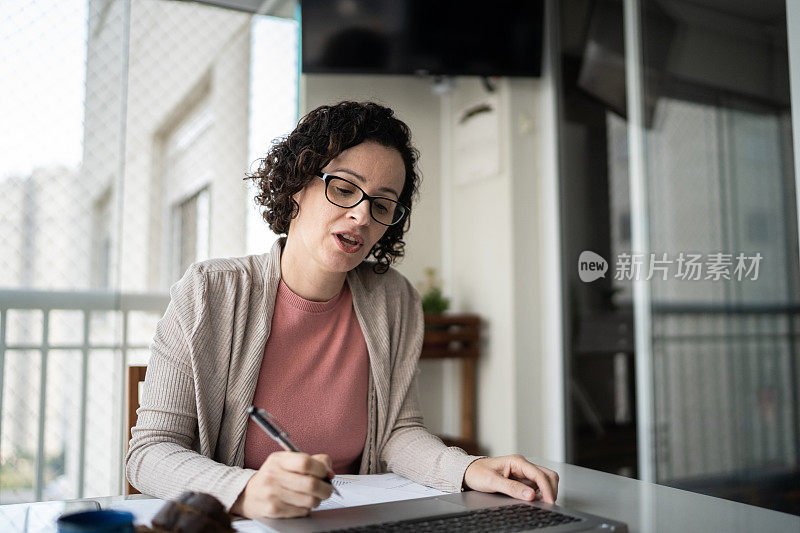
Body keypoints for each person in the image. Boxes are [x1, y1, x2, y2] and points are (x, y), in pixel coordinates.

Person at [125, 101, 559, 520]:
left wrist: (466, 468)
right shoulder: (209, 294)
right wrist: (243, 490)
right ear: (295, 186)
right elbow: (149, 453)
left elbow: (397, 434)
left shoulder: (396, 300)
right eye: (344, 189)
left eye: (381, 204)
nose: (360, 216)